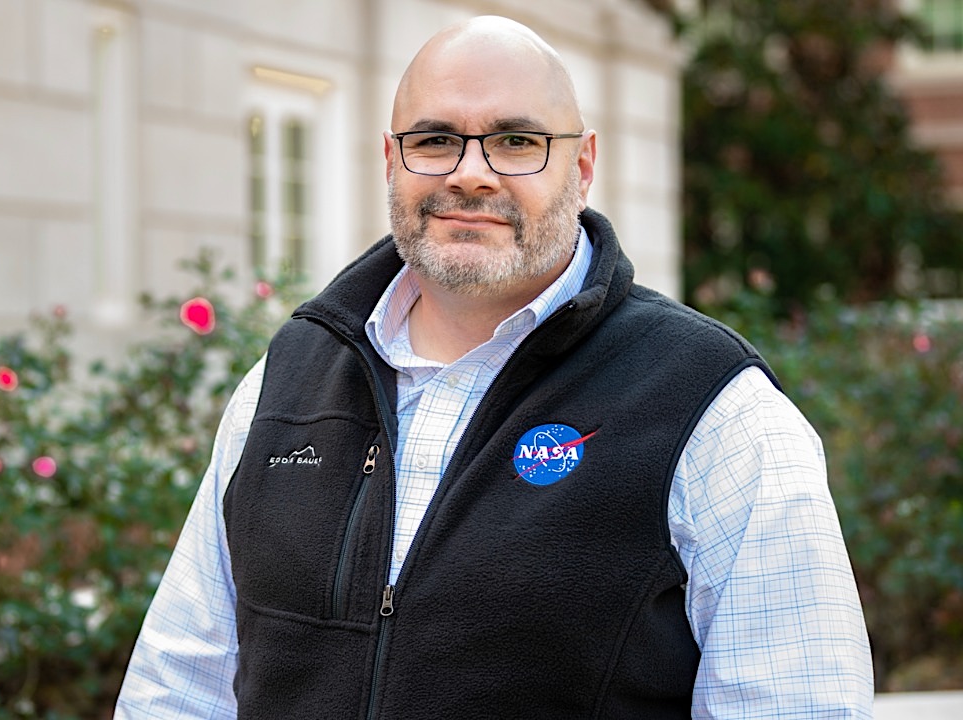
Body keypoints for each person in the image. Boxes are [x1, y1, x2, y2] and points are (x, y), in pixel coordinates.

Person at [114, 15, 874, 719]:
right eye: (435, 139)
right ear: (391, 158)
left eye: (515, 142)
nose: (470, 173)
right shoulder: (283, 384)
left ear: (584, 163)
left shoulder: (712, 410)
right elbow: (178, 687)